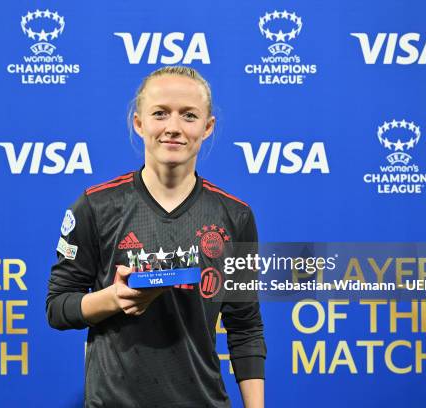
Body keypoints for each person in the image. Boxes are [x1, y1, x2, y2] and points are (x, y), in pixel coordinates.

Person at [47, 66, 266, 408]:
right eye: (160, 113)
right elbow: (58, 308)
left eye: (189, 115)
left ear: (208, 128)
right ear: (139, 123)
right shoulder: (96, 206)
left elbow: (246, 327)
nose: (173, 127)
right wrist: (114, 298)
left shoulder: (235, 216)